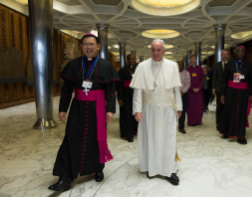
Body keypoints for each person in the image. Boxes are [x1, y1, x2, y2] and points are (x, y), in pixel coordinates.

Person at [48, 34, 118, 191]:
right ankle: (65, 176)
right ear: (81, 47)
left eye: (92, 44)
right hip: (77, 108)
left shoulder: (106, 66)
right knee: (71, 139)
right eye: (85, 44)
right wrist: (62, 109)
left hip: (98, 109)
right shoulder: (73, 65)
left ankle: (97, 169)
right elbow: (66, 91)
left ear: (98, 46)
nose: (89, 47)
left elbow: (111, 91)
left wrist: (110, 110)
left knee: (96, 139)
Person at [130, 39, 182, 185]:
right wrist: (137, 110)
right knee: (150, 139)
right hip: (149, 110)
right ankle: (151, 168)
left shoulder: (172, 66)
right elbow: (138, 90)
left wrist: (179, 107)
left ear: (164, 51)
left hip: (168, 110)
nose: (156, 53)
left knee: (168, 139)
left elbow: (176, 89)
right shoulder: (142, 66)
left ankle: (169, 170)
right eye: (153, 50)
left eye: (159, 50)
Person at [220, 46, 252, 145]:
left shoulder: (248, 65)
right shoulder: (229, 64)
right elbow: (224, 80)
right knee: (228, 112)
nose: (240, 53)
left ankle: (240, 136)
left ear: (244, 53)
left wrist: (251, 93)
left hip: (243, 93)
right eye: (238, 51)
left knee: (241, 114)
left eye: (242, 51)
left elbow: (251, 81)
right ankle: (226, 132)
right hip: (230, 92)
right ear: (235, 53)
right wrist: (222, 94)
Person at [117, 54, 138, 142]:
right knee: (127, 114)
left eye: (134, 60)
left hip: (137, 94)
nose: (132, 61)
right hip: (126, 96)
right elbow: (119, 86)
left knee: (136, 113)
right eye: (130, 60)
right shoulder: (122, 71)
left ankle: (135, 130)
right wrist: (120, 98)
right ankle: (128, 134)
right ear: (127, 61)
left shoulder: (139, 69)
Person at [213, 49, 229, 130]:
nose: (224, 55)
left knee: (227, 107)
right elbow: (214, 77)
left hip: (228, 89)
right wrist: (213, 88)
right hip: (219, 89)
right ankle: (218, 123)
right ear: (220, 55)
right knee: (219, 107)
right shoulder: (217, 65)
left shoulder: (231, 64)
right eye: (223, 54)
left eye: (226, 54)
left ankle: (226, 123)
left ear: (228, 55)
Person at [186, 55, 204, 126]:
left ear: (196, 60)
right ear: (190, 60)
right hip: (191, 91)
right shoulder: (187, 69)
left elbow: (202, 79)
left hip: (199, 91)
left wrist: (199, 88)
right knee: (191, 106)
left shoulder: (200, 69)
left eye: (194, 59)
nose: (193, 60)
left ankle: (198, 120)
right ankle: (192, 121)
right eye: (192, 59)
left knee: (199, 106)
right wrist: (193, 88)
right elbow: (187, 81)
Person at [177, 60, 190, 134]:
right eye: (178, 65)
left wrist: (182, 91)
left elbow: (188, 84)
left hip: (183, 95)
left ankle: (181, 127)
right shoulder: (173, 73)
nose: (180, 66)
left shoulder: (187, 73)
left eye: (181, 65)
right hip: (174, 95)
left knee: (182, 111)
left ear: (183, 65)